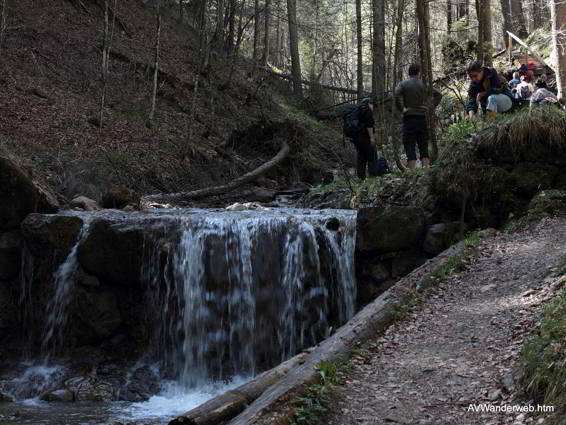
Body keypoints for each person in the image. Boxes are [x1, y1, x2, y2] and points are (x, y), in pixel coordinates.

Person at [394, 63, 442, 169]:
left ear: (409, 72)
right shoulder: (424, 84)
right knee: (423, 144)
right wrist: (430, 107)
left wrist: (402, 109)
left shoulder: (403, 84)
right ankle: (426, 169)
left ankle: (412, 172)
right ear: (419, 73)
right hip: (422, 118)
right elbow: (438, 94)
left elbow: (396, 94)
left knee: (409, 144)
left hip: (409, 118)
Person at [351, 97, 380, 179]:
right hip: (365, 137)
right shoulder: (367, 110)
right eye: (372, 104)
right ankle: (373, 178)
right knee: (372, 156)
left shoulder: (357, 111)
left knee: (361, 158)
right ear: (368, 104)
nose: (373, 107)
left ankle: (361, 178)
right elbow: (369, 125)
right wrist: (372, 137)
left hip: (356, 139)